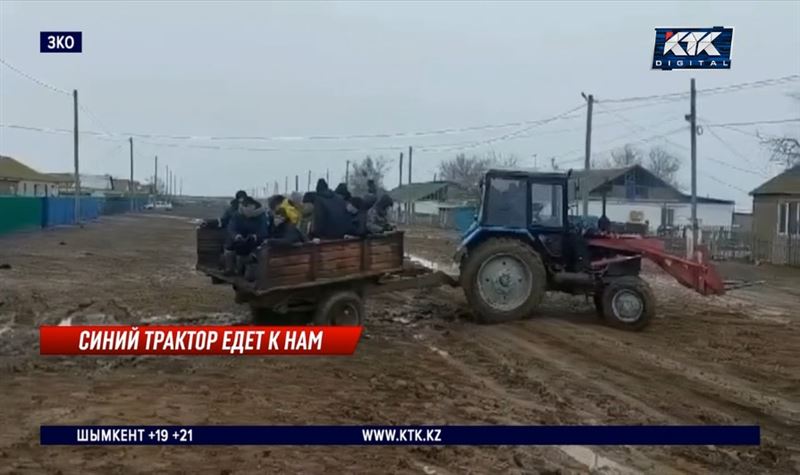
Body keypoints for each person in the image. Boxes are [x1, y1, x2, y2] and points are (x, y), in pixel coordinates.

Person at [222, 197, 269, 275]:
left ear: (253, 206)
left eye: (249, 207)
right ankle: (230, 268)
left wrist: (255, 236)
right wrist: (236, 235)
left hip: (255, 240)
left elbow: (264, 230)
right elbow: (231, 227)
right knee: (230, 245)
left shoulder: (261, 215)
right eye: (245, 207)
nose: (247, 210)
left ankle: (245, 269)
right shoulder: (237, 215)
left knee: (252, 249)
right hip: (240, 238)